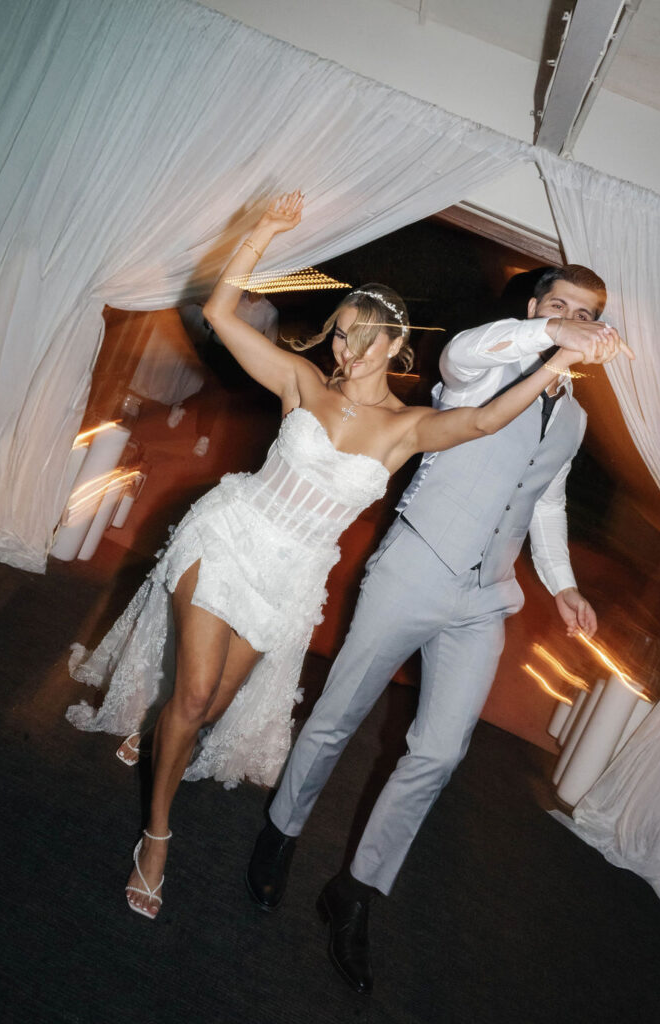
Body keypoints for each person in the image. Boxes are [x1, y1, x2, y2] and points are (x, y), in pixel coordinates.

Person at [65, 192, 605, 921]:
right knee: (194, 696)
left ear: (396, 347)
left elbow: (480, 420)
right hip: (231, 534)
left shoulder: (411, 425)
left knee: (214, 705)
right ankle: (156, 837)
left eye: (365, 339)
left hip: (292, 571)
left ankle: (164, 734)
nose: (347, 351)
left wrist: (559, 363)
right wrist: (258, 232)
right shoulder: (303, 382)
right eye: (342, 334)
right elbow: (223, 316)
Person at [246, 260, 633, 993]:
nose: (574, 320)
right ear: (535, 307)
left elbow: (544, 504)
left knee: (440, 753)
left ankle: (356, 891)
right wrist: (552, 334)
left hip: (486, 598)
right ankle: (282, 833)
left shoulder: (575, 418)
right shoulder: (481, 366)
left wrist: (566, 587)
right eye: (560, 306)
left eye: (586, 312)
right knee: (338, 716)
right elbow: (465, 353)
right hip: (415, 567)